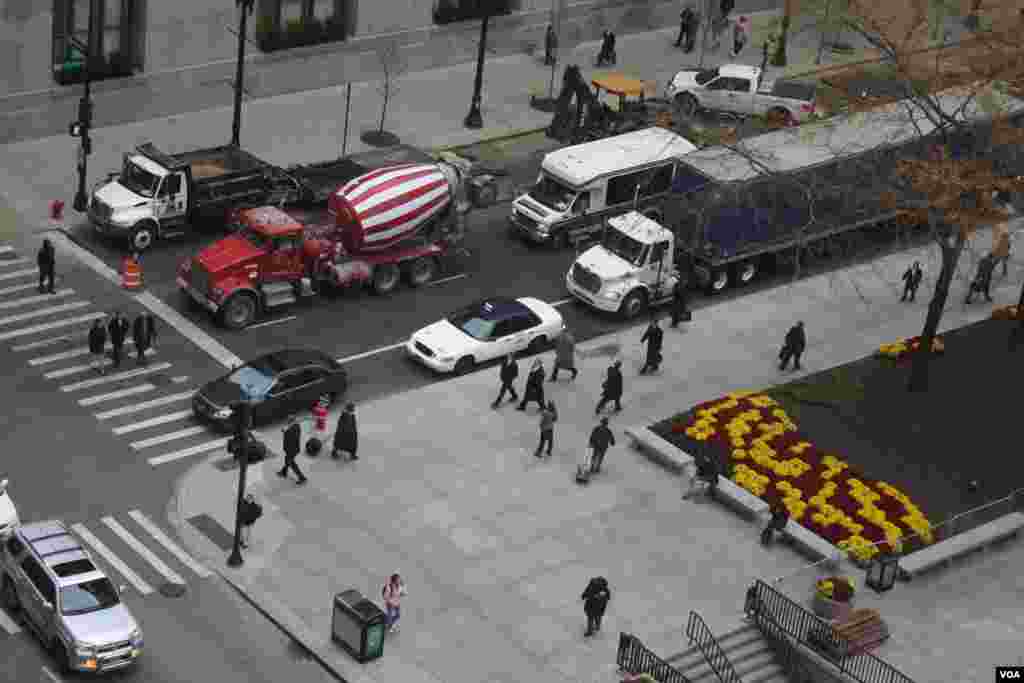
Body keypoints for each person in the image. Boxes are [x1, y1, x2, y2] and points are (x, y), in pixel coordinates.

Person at [278, 415, 307, 484]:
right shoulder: (293, 427)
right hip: (291, 449)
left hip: (292, 449)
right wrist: (285, 431)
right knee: (287, 460)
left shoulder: (294, 428)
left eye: (289, 421)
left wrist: (285, 432)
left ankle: (302, 477)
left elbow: (291, 437)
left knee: (291, 463)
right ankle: (284, 471)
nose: (287, 422)